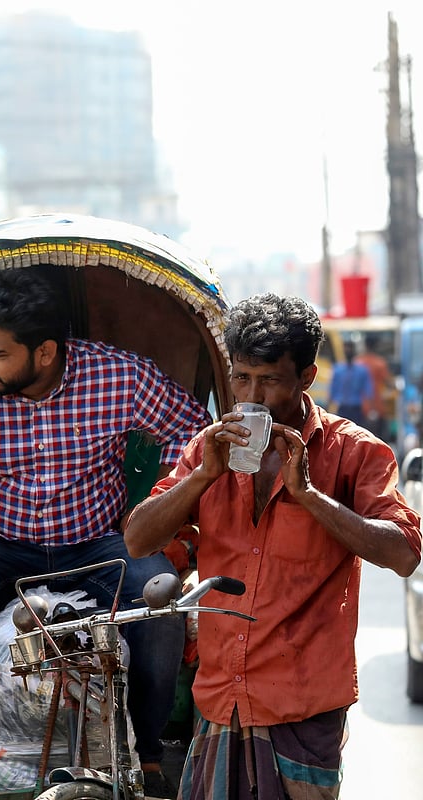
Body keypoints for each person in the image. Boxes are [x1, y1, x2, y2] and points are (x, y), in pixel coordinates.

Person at [0, 268, 211, 800]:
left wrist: (154, 504)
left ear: (46, 351)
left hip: (97, 539)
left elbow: (191, 431)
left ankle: (145, 755)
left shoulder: (118, 375)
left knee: (160, 603)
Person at [123, 294, 421, 800]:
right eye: (241, 378)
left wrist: (308, 495)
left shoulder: (355, 452)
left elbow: (405, 553)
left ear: (306, 377)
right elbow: (138, 538)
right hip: (221, 697)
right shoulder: (207, 449)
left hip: (303, 701)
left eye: (270, 380)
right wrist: (202, 477)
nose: (251, 395)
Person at [327, 339, 373, 427]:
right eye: (346, 348)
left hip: (356, 408)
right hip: (342, 407)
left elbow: (368, 391)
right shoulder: (338, 370)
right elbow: (332, 390)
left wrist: (370, 410)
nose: (348, 351)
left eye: (350, 348)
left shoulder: (362, 370)